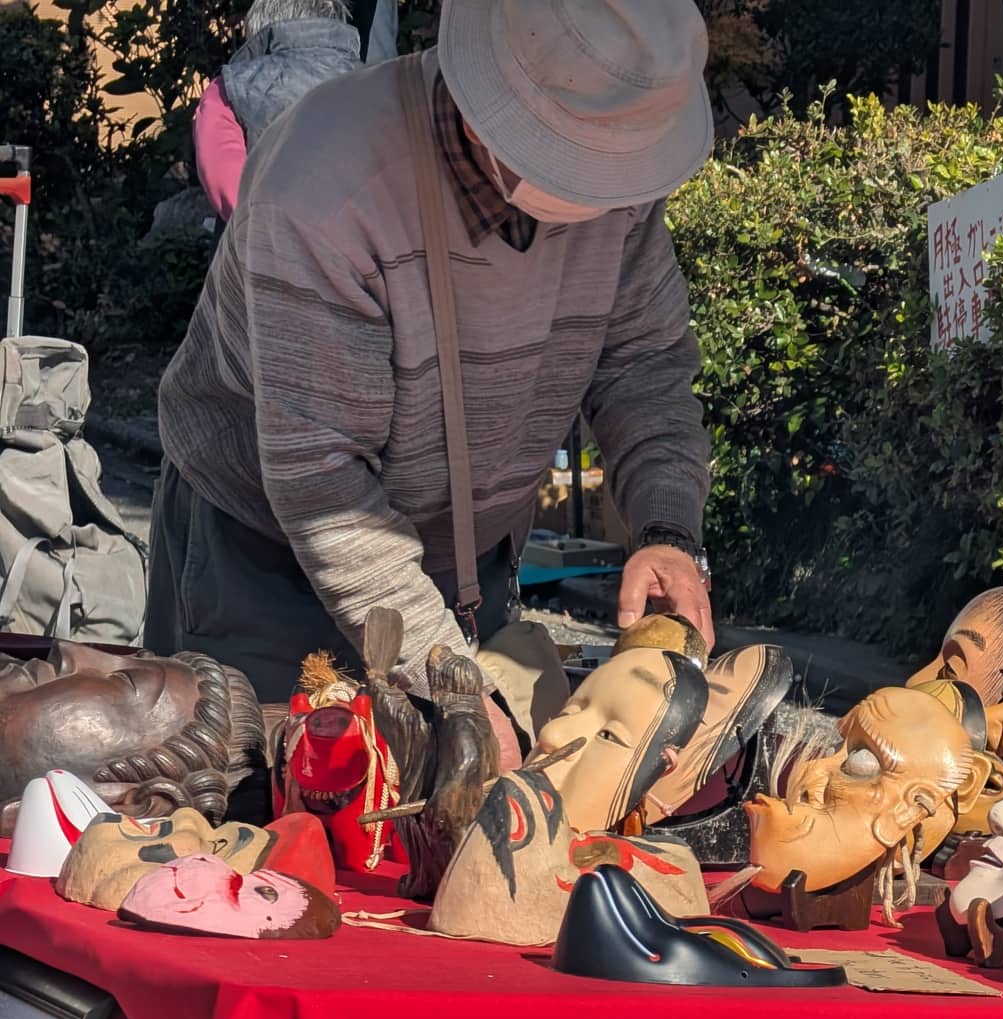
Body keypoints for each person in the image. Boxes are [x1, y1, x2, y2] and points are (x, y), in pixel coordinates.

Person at [148, 0, 717, 771]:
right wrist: (452, 680)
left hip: (459, 554)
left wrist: (666, 531)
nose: (612, 197)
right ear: (495, 109)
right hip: (265, 558)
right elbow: (324, 486)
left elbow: (643, 367)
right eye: (583, 162)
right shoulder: (322, 187)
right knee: (269, 817)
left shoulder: (621, 200)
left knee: (463, 813)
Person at [193, 0, 365, 223]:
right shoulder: (382, 84)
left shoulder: (227, 89)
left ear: (257, 31)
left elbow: (227, 185)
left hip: (270, 249)